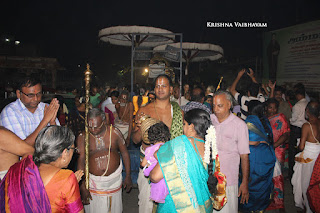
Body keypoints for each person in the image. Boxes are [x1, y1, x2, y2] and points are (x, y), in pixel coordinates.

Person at [0, 125, 84, 212]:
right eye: (73, 150)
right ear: (65, 153)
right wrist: (70, 185)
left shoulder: (16, 171)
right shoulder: (66, 178)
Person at [132, 74, 183, 213]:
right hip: (148, 165)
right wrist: (142, 128)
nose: (160, 89)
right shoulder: (144, 110)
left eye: (164, 86)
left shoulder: (179, 112)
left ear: (171, 89)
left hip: (171, 166)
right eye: (157, 86)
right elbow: (135, 140)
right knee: (146, 206)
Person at [150, 109, 214, 212]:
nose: (183, 128)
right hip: (203, 207)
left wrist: (161, 157)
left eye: (184, 124)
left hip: (176, 207)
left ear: (191, 126)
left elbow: (155, 176)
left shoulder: (182, 143)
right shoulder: (210, 149)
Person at [77, 108, 132, 213]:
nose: (92, 130)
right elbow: (81, 160)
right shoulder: (83, 136)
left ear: (104, 122)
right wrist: (82, 184)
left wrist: (128, 176)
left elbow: (125, 153)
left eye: (96, 127)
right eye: (90, 126)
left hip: (114, 181)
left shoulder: (114, 132)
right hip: (94, 183)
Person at [211, 90, 250, 213]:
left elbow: (244, 156)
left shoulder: (239, 125)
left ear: (229, 105)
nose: (216, 109)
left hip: (229, 181)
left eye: (220, 106)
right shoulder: (210, 120)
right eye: (214, 105)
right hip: (210, 179)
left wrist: (244, 183)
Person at [0, 76, 60, 145]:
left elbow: (58, 142)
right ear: (19, 94)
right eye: (30, 95)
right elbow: (22, 147)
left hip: (46, 155)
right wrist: (45, 121)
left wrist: (52, 122)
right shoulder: (10, 112)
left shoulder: (46, 108)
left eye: (38, 94)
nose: (36, 99)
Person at [239, 100, 276, 212]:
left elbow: (252, 141)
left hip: (254, 159)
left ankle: (250, 208)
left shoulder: (250, 122)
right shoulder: (265, 120)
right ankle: (260, 208)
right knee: (262, 186)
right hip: (267, 157)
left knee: (251, 184)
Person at [292, 101, 320, 213]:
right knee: (315, 183)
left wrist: (297, 145)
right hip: (318, 156)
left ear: (307, 111)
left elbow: (301, 146)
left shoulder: (307, 125)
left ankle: (309, 208)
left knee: (306, 184)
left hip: (308, 158)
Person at [265, 98, 290, 211]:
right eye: (270, 107)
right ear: (266, 108)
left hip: (278, 150)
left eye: (275, 107)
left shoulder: (281, 118)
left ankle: (280, 203)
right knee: (269, 177)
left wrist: (274, 145)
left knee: (278, 178)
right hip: (267, 150)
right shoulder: (264, 119)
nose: (273, 110)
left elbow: (286, 135)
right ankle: (271, 199)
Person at [141, 121, 171, 203]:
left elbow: (143, 164)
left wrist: (149, 164)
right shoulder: (166, 147)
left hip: (154, 177)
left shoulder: (149, 149)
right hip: (165, 176)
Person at [289, 85, 308, 179]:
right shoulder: (308, 103)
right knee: (301, 150)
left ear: (297, 95)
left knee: (293, 151)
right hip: (305, 129)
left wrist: (289, 120)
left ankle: (292, 173)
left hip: (296, 129)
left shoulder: (297, 105)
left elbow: (293, 119)